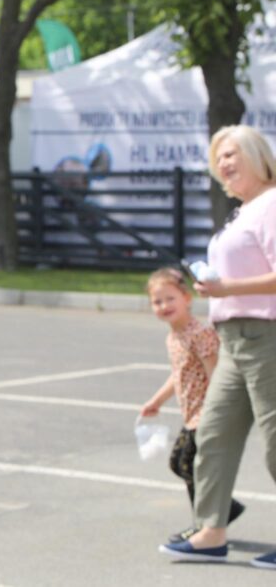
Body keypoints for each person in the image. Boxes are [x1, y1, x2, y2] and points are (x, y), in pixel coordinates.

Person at [159, 124, 276, 569]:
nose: (224, 164)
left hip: (267, 336)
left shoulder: (272, 203)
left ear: (258, 155)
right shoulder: (243, 212)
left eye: (232, 154)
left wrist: (226, 288)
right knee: (213, 433)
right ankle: (211, 532)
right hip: (232, 338)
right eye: (219, 158)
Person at [139, 268, 244, 543]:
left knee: (186, 464)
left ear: (186, 298)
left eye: (170, 298)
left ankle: (207, 521)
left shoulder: (200, 333)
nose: (164, 306)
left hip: (206, 412)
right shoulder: (174, 336)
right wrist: (157, 401)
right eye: (157, 301)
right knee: (185, 465)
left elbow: (216, 373)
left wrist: (216, 411)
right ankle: (218, 513)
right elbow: (178, 373)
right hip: (191, 412)